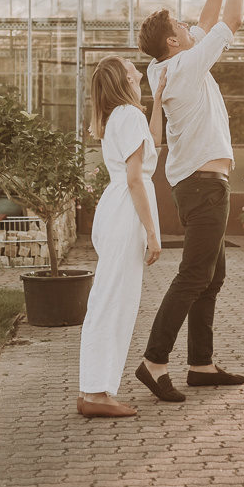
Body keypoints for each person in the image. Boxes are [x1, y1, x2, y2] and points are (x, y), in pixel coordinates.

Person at [133, 0, 244, 404]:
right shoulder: (183, 66)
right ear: (172, 42)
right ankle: (153, 361)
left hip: (195, 184)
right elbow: (230, 22)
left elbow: (204, 22)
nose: (188, 26)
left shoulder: (164, 66)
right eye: (180, 26)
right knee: (193, 275)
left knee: (211, 276)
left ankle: (201, 364)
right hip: (204, 187)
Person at [77, 57, 166, 418]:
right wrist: (152, 232)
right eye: (134, 71)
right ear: (124, 79)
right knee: (113, 304)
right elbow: (135, 179)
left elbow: (153, 145)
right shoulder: (127, 116)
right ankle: (96, 394)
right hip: (126, 212)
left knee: (109, 301)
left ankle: (93, 390)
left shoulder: (122, 116)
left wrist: (157, 100)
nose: (140, 74)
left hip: (115, 209)